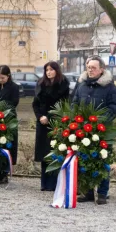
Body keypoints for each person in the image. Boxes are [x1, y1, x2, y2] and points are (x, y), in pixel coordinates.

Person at [72, 56, 116, 204]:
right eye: (88, 67)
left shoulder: (109, 87)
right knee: (84, 159)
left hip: (102, 130)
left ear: (101, 70)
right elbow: (74, 103)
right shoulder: (81, 85)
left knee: (102, 161)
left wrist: (100, 121)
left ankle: (102, 193)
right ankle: (87, 192)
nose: (90, 70)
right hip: (83, 129)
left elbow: (113, 107)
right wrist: (76, 119)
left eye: (93, 67)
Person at [33, 61, 70, 191]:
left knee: (54, 151)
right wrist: (40, 116)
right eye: (47, 70)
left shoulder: (63, 85)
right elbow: (35, 103)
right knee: (44, 153)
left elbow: (63, 105)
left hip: (56, 122)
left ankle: (54, 183)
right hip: (42, 123)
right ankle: (44, 183)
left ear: (56, 70)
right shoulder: (41, 83)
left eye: (51, 69)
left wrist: (49, 117)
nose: (48, 72)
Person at [0, 65, 20, 183]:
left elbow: (14, 103)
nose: (0, 80)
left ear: (8, 76)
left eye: (3, 78)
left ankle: (4, 172)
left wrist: (0, 103)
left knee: (7, 144)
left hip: (8, 119)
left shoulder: (14, 87)